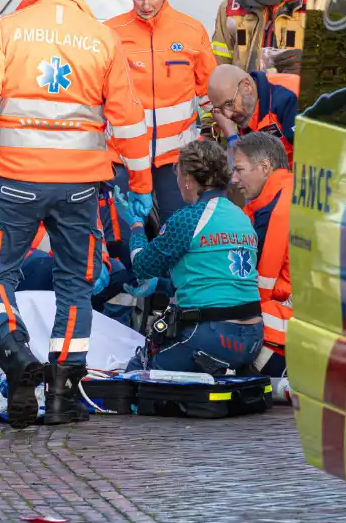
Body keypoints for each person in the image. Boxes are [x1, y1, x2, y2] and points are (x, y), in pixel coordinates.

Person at [0, 0, 153, 429]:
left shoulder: (9, 29)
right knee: (75, 285)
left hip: (14, 178)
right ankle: (62, 394)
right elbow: (130, 118)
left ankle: (14, 350)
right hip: (80, 186)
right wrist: (139, 184)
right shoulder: (102, 38)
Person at [115, 140, 263, 374]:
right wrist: (161, 284)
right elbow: (211, 275)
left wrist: (134, 226)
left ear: (188, 179)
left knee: (137, 370)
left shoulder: (188, 218)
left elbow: (142, 266)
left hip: (211, 335)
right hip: (252, 337)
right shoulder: (241, 216)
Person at [104, 0, 217, 227]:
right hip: (123, 157)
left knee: (176, 230)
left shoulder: (191, 31)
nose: (145, 5)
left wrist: (224, 139)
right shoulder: (110, 32)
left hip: (177, 157)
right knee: (123, 234)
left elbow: (210, 92)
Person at [230, 132, 293, 376]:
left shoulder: (274, 212)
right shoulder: (286, 193)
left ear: (264, 167)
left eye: (239, 170)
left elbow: (260, 289)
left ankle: (277, 374)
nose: (234, 179)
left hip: (289, 314)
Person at [207, 64, 298, 167]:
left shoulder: (290, 96)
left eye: (229, 104)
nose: (228, 115)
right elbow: (243, 170)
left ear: (246, 87)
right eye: (220, 109)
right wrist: (231, 135)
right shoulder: (245, 108)